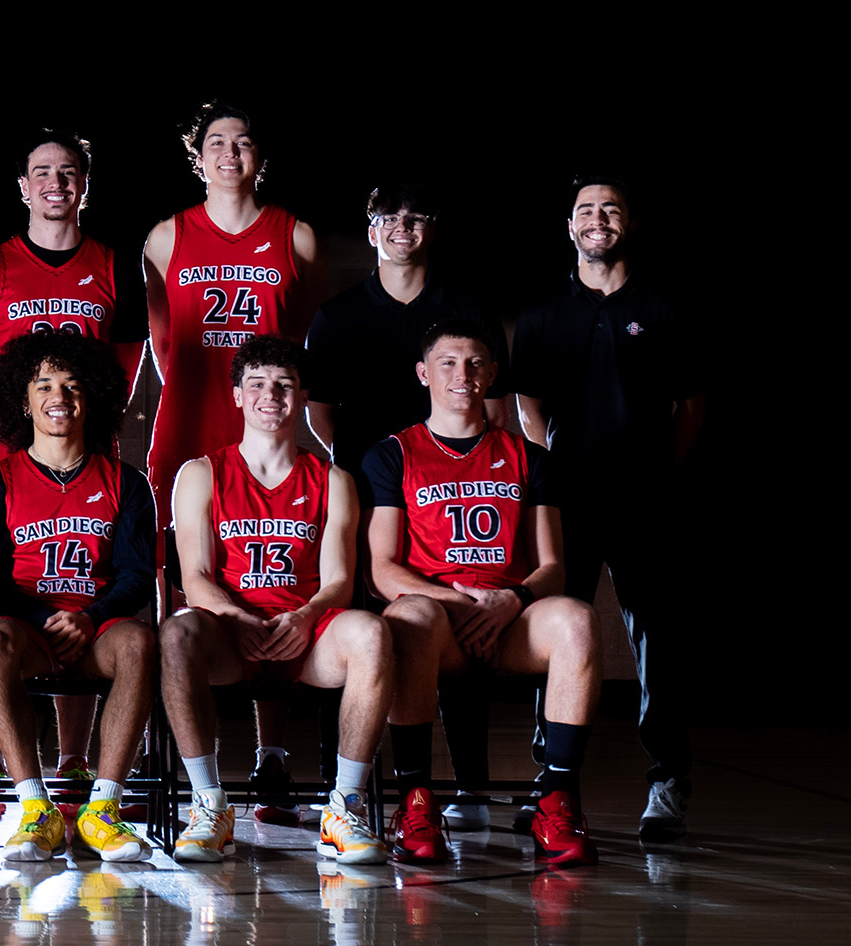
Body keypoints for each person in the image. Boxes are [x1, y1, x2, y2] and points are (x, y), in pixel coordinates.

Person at [303, 180, 514, 830]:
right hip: (370, 490)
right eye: (388, 217)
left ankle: (469, 786)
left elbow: (495, 408)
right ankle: (350, 785)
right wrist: (376, 469)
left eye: (416, 216)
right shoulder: (337, 316)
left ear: (430, 230)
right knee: (356, 632)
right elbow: (320, 411)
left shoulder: (464, 308)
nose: (402, 226)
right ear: (370, 231)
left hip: (449, 488)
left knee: (458, 625)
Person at [0, 127, 149, 789]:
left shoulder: (116, 266)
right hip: (11, 452)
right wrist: (13, 433)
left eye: (68, 173)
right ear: (22, 186)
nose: (55, 184)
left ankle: (70, 758)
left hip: (88, 449)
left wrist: (79, 430)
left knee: (86, 589)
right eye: (42, 172)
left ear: (84, 185)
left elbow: (119, 376)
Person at [142, 100, 323, 811]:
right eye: (216, 141)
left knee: (273, 574)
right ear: (197, 157)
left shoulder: (297, 235)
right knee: (177, 588)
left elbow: (293, 340)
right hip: (188, 427)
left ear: (259, 157)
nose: (229, 152)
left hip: (268, 432)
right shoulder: (165, 235)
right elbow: (163, 341)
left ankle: (272, 753)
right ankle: (177, 754)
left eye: (243, 141)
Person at [367, 321, 601, 867]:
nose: (462, 374)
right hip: (440, 619)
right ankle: (417, 802)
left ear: (493, 375)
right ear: (424, 373)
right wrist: (454, 600)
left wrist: (512, 598)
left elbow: (552, 568)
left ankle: (556, 799)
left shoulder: (530, 458)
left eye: (476, 363)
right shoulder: (394, 454)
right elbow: (382, 568)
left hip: (509, 619)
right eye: (448, 362)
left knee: (578, 621)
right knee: (408, 617)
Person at [513, 177, 703, 843]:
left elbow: (690, 408)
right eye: (586, 211)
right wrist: (552, 473)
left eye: (610, 209)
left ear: (629, 223)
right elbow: (529, 405)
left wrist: (655, 471)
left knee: (658, 637)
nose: (597, 220)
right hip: (568, 500)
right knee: (555, 634)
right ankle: (552, 782)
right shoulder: (541, 316)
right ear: (570, 227)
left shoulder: (665, 309)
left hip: (644, 498)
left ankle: (667, 780)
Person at [159, 336, 395, 865]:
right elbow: (194, 578)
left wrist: (306, 615)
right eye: (258, 385)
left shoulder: (334, 479)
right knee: (176, 631)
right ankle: (209, 805)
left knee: (372, 633)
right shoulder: (201, 474)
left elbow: (339, 580)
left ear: (302, 396)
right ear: (238, 396)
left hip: (306, 637)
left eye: (285, 386)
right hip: (229, 634)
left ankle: (344, 808)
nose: (272, 396)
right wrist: (237, 617)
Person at [0, 330, 157, 863]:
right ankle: (36, 807)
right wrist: (46, 616)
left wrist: (90, 616)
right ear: (22, 400)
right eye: (44, 384)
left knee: (140, 643)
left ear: (91, 396)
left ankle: (103, 808)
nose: (60, 396)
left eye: (73, 385)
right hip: (30, 629)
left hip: (98, 628)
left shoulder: (127, 481)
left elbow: (138, 577)